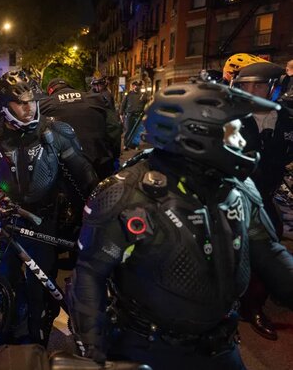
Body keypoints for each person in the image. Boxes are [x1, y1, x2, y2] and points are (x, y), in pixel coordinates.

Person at [68, 80, 293, 370]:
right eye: (232, 131)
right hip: (147, 351)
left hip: (221, 347)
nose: (242, 140)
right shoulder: (124, 193)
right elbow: (89, 274)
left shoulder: (239, 187)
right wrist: (92, 353)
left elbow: (270, 253)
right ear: (197, 135)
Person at [0, 70, 99, 345]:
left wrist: (96, 213)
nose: (29, 108)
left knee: (42, 289)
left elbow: (85, 176)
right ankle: (10, 335)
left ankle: (39, 336)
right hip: (4, 225)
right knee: (7, 285)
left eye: (32, 101)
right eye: (21, 103)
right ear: (4, 106)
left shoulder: (56, 131)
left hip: (45, 219)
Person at [232, 61, 293, 340]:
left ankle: (253, 306)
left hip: (267, 195)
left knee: (270, 243)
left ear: (274, 87)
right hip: (233, 195)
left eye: (258, 85)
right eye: (246, 86)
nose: (251, 91)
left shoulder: (288, 119)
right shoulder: (230, 118)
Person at [43, 77, 120, 179]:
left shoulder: (43, 105)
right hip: (99, 163)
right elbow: (114, 127)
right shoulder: (95, 98)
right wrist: (114, 155)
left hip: (63, 173)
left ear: (50, 91)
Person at [119, 80, 146, 150]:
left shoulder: (143, 95)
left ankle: (135, 145)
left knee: (137, 131)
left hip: (139, 115)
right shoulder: (128, 94)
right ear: (133, 86)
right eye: (136, 85)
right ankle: (126, 144)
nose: (137, 87)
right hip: (129, 115)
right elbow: (123, 104)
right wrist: (121, 114)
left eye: (139, 85)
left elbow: (146, 105)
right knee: (128, 130)